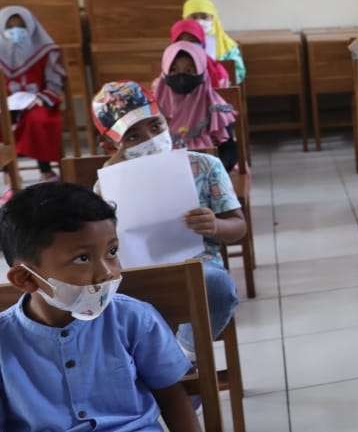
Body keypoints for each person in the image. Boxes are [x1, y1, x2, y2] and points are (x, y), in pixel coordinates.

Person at [0, 181, 246, 432]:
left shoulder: (132, 317)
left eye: (112, 251)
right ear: (26, 279)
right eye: (83, 258)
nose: (108, 272)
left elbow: (173, 395)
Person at [91, 82, 245, 356]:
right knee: (100, 301)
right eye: (133, 137)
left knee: (217, 286)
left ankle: (183, 358)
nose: (150, 139)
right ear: (109, 146)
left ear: (167, 121)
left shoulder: (205, 166)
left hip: (197, 266)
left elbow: (238, 227)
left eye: (155, 126)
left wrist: (216, 225)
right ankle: (147, 371)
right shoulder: (107, 185)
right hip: (135, 273)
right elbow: (101, 247)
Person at [0, 6, 66, 180]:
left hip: (37, 102)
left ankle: (45, 170)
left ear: (30, 27)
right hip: (4, 104)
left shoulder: (45, 51)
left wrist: (41, 98)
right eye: (10, 27)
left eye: (20, 26)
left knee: (39, 120)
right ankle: (8, 172)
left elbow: (54, 83)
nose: (15, 31)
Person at [153, 42, 238, 172]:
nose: (181, 77)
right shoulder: (152, 107)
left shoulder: (216, 107)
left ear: (201, 72)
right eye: (174, 70)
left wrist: (212, 172)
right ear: (165, 72)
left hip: (207, 173)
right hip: (165, 174)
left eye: (189, 70)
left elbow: (229, 151)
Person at [182, 0, 244, 85]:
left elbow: (238, 72)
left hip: (221, 90)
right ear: (185, 19)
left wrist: (223, 80)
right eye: (194, 17)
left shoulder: (227, 45)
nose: (199, 21)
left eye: (204, 17)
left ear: (213, 18)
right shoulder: (180, 44)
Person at [171, 19, 230, 89]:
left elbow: (224, 96)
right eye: (181, 42)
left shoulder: (218, 74)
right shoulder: (169, 69)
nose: (187, 46)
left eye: (192, 41)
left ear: (202, 44)